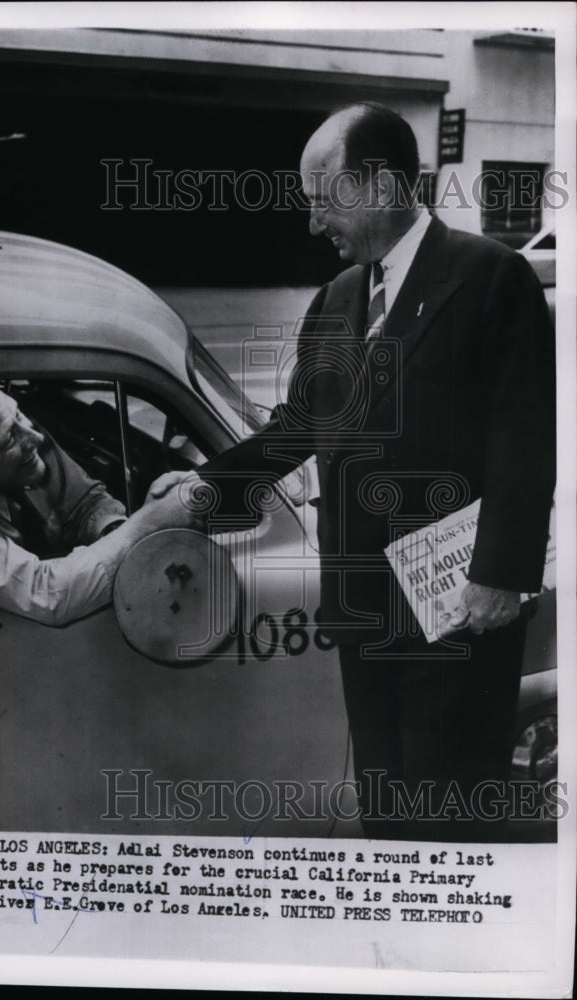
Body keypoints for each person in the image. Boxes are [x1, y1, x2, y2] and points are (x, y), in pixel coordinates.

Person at [201, 102, 555, 841]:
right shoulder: (335, 300)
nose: (311, 224)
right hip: (364, 611)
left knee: (449, 820)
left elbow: (524, 440)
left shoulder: (493, 278)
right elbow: (302, 424)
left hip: (458, 609)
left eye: (322, 201)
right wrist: (206, 490)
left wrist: (500, 573)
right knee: (387, 811)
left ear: (383, 187)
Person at [0, 379, 202, 626]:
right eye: (9, 438)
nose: (35, 437)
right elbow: (45, 593)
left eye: (19, 414)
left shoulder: (22, 447)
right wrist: (148, 524)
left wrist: (118, 533)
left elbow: (85, 503)